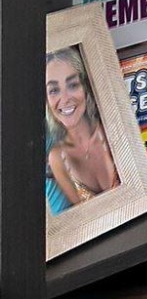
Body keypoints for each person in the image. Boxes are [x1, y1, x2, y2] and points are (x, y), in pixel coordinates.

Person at [44, 47, 121, 213]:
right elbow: (85, 218)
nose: (64, 99)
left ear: (85, 87)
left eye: (72, 85)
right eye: (54, 90)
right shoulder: (57, 158)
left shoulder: (114, 129)